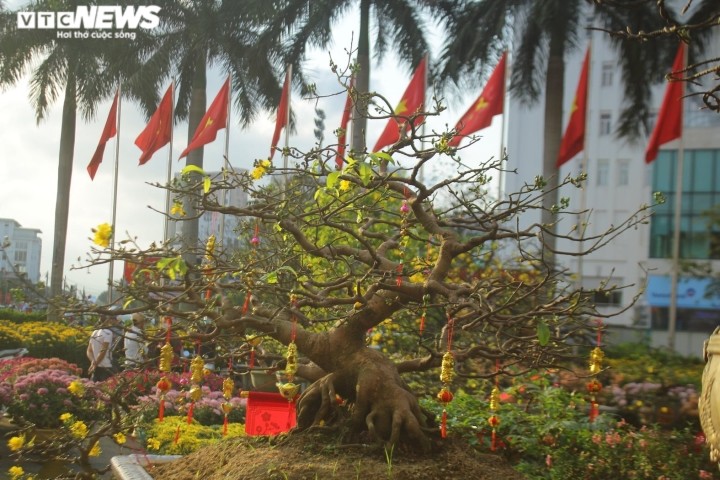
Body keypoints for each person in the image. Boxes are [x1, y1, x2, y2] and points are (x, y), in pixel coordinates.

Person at [87, 314, 120, 381]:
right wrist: (95, 364)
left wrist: (93, 361)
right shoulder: (108, 333)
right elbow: (103, 351)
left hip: (96, 367)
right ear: (108, 321)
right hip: (106, 367)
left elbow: (89, 350)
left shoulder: (94, 332)